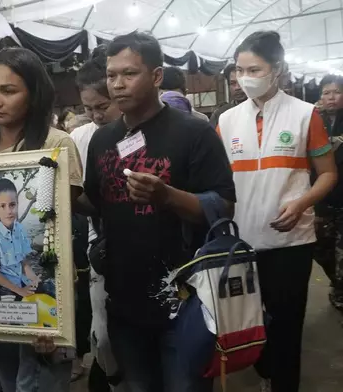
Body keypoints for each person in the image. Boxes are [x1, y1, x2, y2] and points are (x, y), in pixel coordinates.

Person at [84, 32, 236, 392]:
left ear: (155, 76)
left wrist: (166, 195)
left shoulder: (194, 133)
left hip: (185, 301)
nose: (117, 85)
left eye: (129, 74)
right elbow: (94, 201)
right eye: (111, 75)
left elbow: (223, 205)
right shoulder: (102, 139)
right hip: (124, 302)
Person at [0, 47, 84, 392]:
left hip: (47, 304)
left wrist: (50, 305)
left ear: (34, 94)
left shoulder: (57, 144)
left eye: (8, 91)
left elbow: (56, 227)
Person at [216, 31, 337, 392]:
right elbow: (220, 182)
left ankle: (284, 384)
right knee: (251, 323)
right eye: (239, 70)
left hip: (291, 241)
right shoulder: (226, 121)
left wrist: (301, 202)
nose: (244, 77)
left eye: (254, 69)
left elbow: (328, 173)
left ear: (278, 70)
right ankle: (267, 373)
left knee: (287, 324)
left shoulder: (305, 115)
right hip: (240, 241)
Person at [70, 44, 122, 391]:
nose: (96, 115)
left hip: (144, 243)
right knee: (103, 334)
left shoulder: (137, 133)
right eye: (88, 109)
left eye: (102, 107)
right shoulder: (80, 137)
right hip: (99, 242)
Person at [313, 74, 343, 310]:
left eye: (336, 92)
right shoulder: (314, 120)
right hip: (322, 199)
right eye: (326, 93)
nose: (331, 97)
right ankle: (337, 284)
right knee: (321, 250)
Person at [0, 178, 40, 300]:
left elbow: (23, 262)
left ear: (17, 204)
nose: (9, 211)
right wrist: (20, 291)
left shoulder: (19, 229)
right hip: (5, 288)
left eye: (12, 205)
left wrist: (33, 276)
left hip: (21, 280)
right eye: (3, 206)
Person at [209, 63, 247, 128]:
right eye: (232, 83)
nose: (237, 88)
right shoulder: (220, 114)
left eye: (241, 82)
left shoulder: (262, 110)